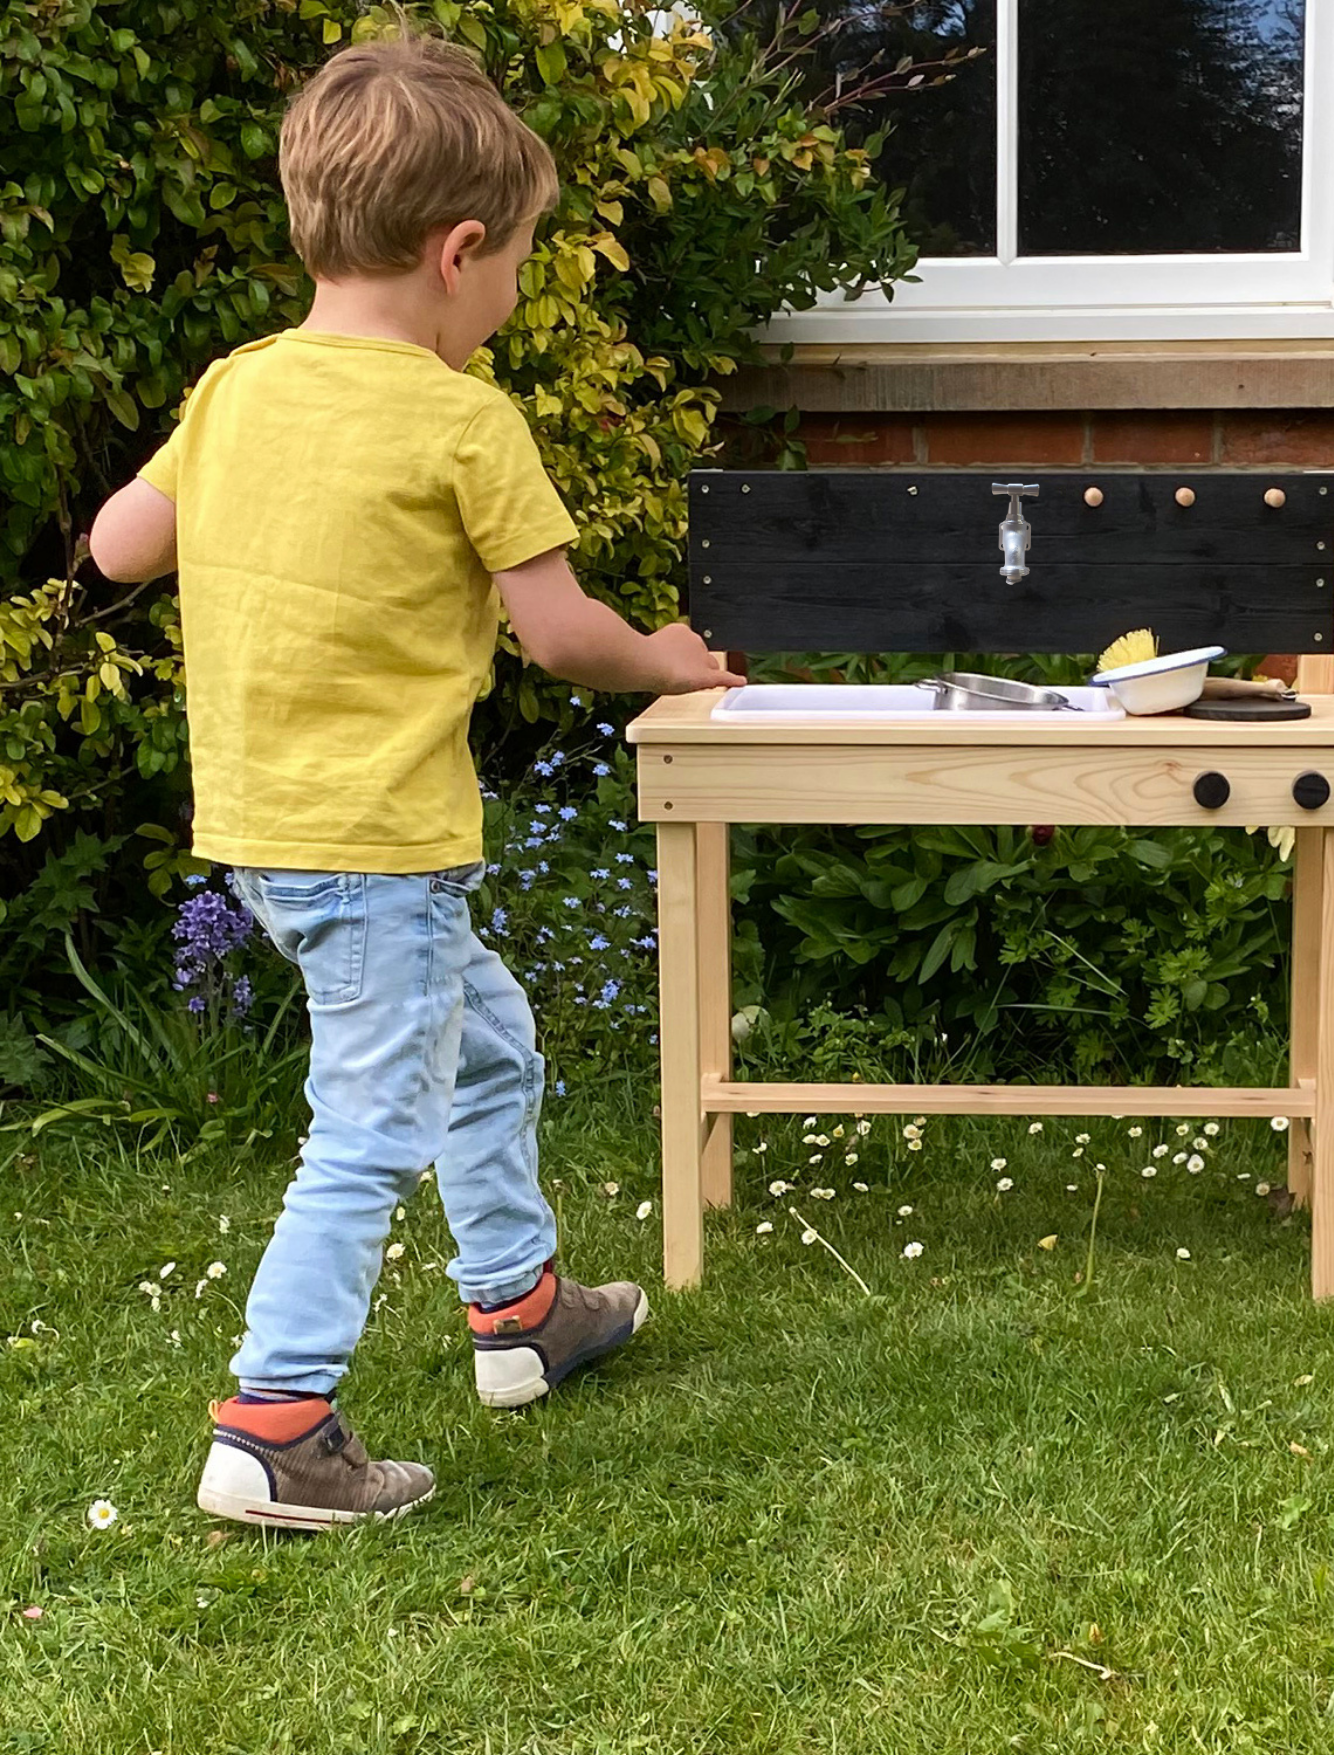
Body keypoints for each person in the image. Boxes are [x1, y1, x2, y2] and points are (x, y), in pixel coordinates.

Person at [88, 29, 736, 1531]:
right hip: (380, 846)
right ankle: (277, 1424)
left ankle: (520, 1313)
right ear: (457, 253)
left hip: (263, 833)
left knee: (484, 1039)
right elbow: (561, 633)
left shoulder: (237, 387)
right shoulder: (461, 420)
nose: (512, 291)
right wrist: (670, 655)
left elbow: (121, 545)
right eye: (515, 262)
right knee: (370, 1125)